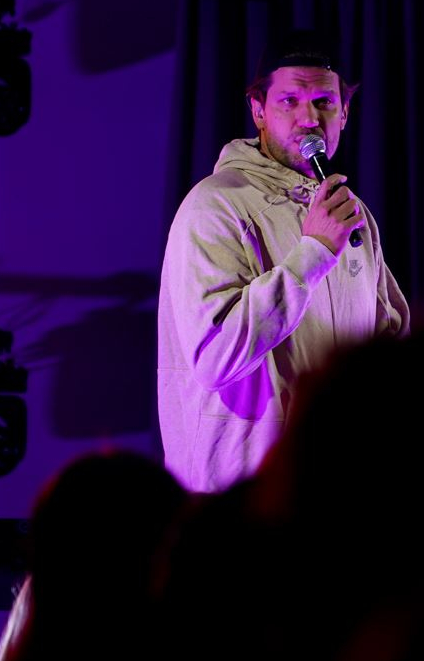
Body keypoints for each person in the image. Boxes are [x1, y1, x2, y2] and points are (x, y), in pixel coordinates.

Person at [157, 31, 409, 492]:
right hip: (241, 499)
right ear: (259, 110)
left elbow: (385, 341)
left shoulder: (350, 214)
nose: (309, 119)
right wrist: (313, 253)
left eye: (324, 103)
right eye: (290, 101)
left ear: (344, 113)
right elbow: (215, 358)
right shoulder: (216, 205)